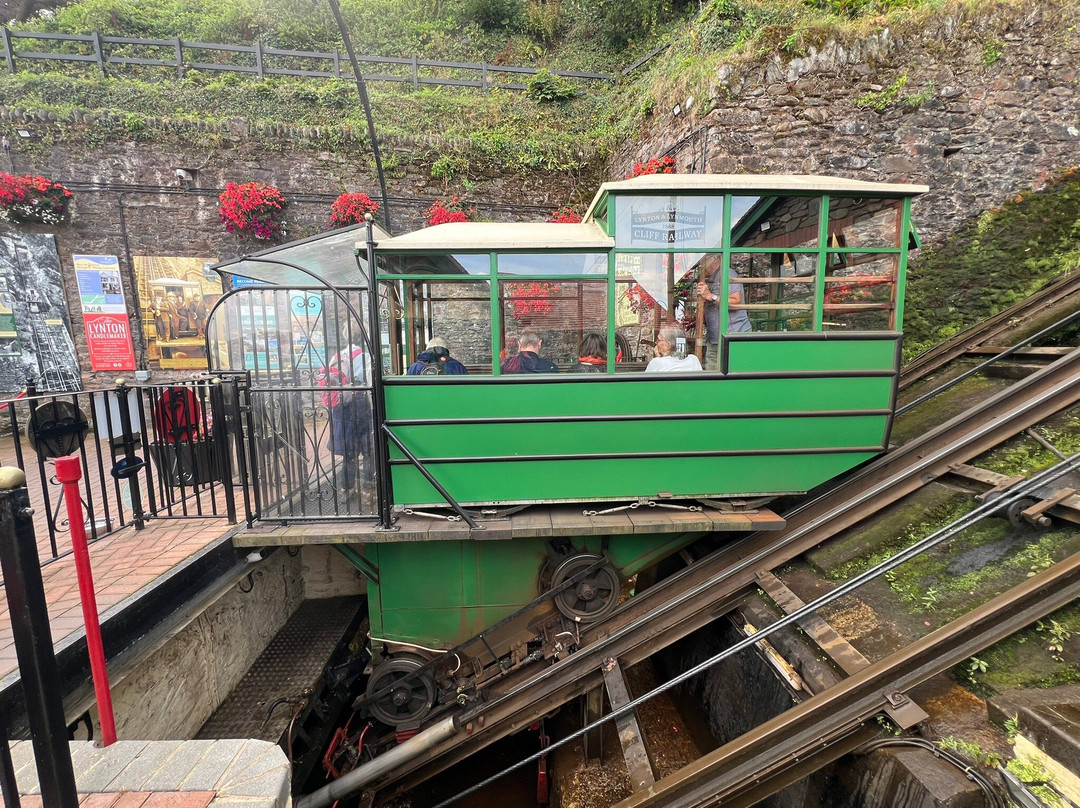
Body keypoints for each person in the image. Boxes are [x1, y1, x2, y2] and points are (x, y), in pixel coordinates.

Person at [319, 341, 374, 492]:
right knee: (368, 450)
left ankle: (347, 486)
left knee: (349, 451)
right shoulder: (366, 357)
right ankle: (368, 485)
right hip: (361, 404)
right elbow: (370, 382)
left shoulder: (336, 357)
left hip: (341, 409)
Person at [695, 254, 751, 371]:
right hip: (716, 338)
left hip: (732, 336)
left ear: (714, 258)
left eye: (703, 260)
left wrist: (711, 296)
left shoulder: (727, 274)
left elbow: (735, 302)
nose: (701, 264)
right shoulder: (713, 277)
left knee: (732, 371)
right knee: (712, 373)